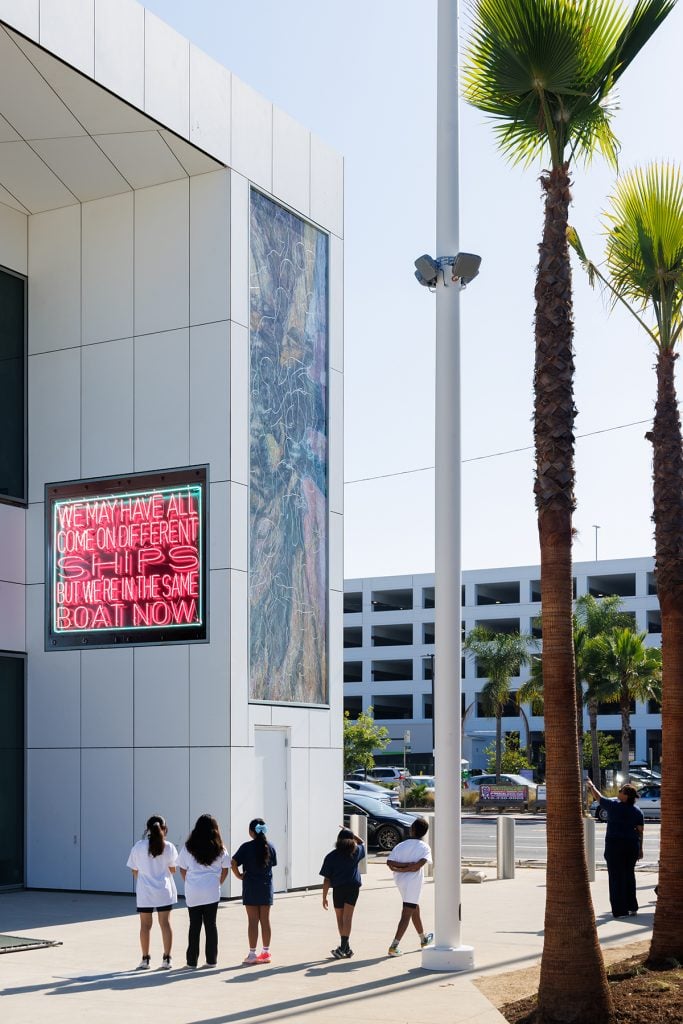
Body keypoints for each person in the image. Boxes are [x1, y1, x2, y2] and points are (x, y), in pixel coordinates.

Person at [177, 814, 231, 968]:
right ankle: (211, 961)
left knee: (194, 925)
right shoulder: (220, 847)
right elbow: (225, 869)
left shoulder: (188, 847)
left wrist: (188, 881)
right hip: (212, 891)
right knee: (211, 925)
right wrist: (217, 882)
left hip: (193, 891)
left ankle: (191, 962)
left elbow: (182, 868)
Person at [126, 814, 178, 970]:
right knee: (165, 924)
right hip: (164, 890)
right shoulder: (168, 846)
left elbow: (134, 871)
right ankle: (167, 959)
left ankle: (145, 959)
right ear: (164, 828)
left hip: (145, 892)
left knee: (145, 925)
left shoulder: (138, 846)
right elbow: (173, 869)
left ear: (148, 828)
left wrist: (144, 877)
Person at [586, 778, 644, 918]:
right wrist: (640, 849)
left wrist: (591, 785)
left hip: (614, 846)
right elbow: (640, 832)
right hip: (631, 846)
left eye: (621, 791)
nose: (618, 792)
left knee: (616, 878)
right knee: (629, 875)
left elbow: (599, 797)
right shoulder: (637, 812)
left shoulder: (613, 806)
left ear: (626, 795)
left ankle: (619, 910)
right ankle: (632, 906)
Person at [231, 818, 277, 965]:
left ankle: (252, 954)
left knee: (252, 921)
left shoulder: (246, 847)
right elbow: (272, 864)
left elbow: (233, 862)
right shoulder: (270, 847)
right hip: (265, 887)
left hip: (250, 886)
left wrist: (238, 875)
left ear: (251, 832)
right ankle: (266, 952)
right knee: (265, 920)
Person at [386, 817, 433, 957]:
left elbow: (390, 862)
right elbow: (418, 866)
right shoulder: (424, 847)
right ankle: (394, 946)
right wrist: (408, 867)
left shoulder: (401, 845)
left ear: (412, 829)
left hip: (400, 882)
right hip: (414, 883)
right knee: (407, 912)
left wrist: (401, 868)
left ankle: (423, 939)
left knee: (414, 908)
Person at [319, 827, 365, 959]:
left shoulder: (331, 856)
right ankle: (346, 948)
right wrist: (352, 833)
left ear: (338, 840)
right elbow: (362, 843)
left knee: (340, 918)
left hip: (338, 889)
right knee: (348, 918)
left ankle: (343, 948)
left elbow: (327, 879)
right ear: (351, 840)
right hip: (353, 888)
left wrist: (324, 897)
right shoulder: (356, 852)